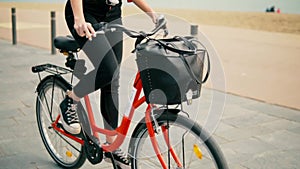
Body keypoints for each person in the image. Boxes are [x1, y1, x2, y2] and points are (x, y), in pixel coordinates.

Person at [59, 0, 158, 168]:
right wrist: (79, 18)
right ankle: (71, 99)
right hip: (85, 11)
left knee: (113, 79)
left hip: (113, 14)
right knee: (108, 69)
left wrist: (153, 15)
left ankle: (111, 146)